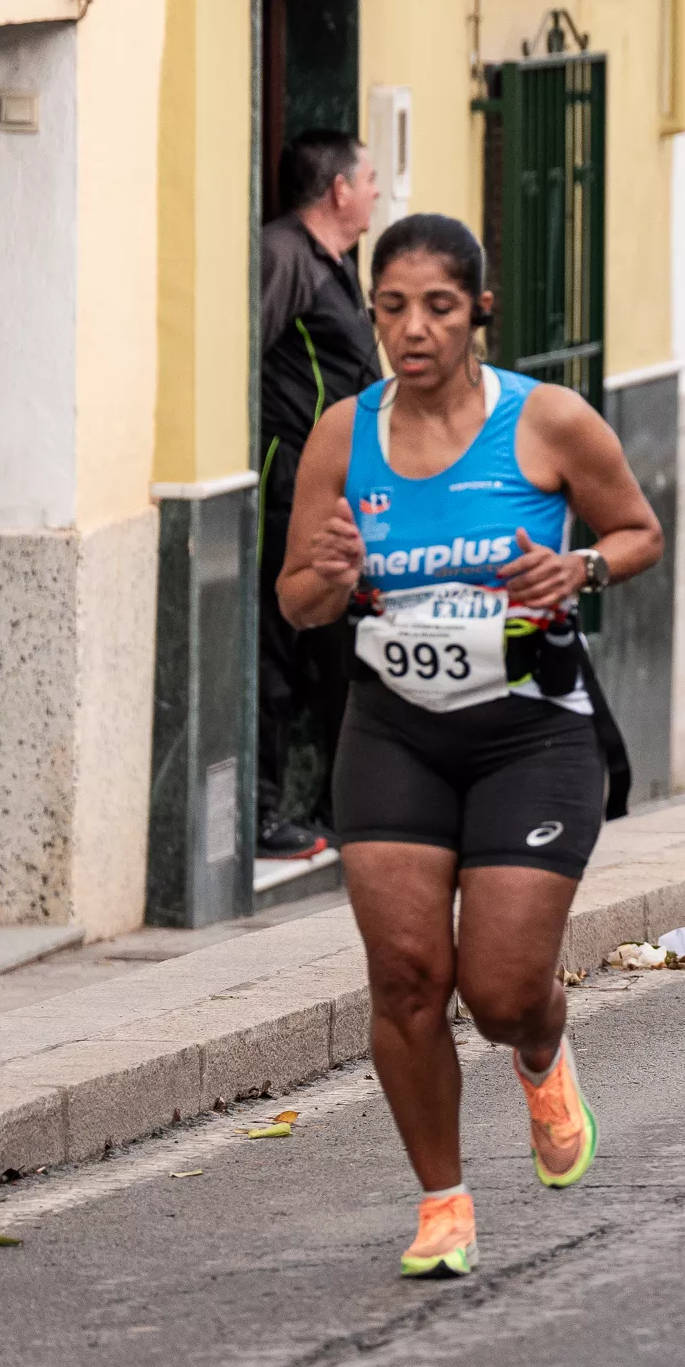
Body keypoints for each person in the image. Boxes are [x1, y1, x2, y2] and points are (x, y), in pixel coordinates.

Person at [277, 215, 665, 1280]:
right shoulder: (342, 436)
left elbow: (639, 532)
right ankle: (442, 1201)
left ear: (480, 310)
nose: (413, 328)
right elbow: (299, 599)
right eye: (392, 306)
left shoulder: (547, 422)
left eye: (438, 307)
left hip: (533, 727)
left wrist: (577, 568)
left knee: (497, 987)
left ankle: (541, 1049)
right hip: (394, 726)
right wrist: (332, 571)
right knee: (405, 976)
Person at [257, 129, 382, 863]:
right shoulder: (283, 256)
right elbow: (251, 352)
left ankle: (333, 805)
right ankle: (262, 811)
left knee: (334, 651)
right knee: (277, 650)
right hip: (287, 481)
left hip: (339, 490)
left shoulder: (333, 263)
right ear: (337, 189)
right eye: (368, 179)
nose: (373, 193)